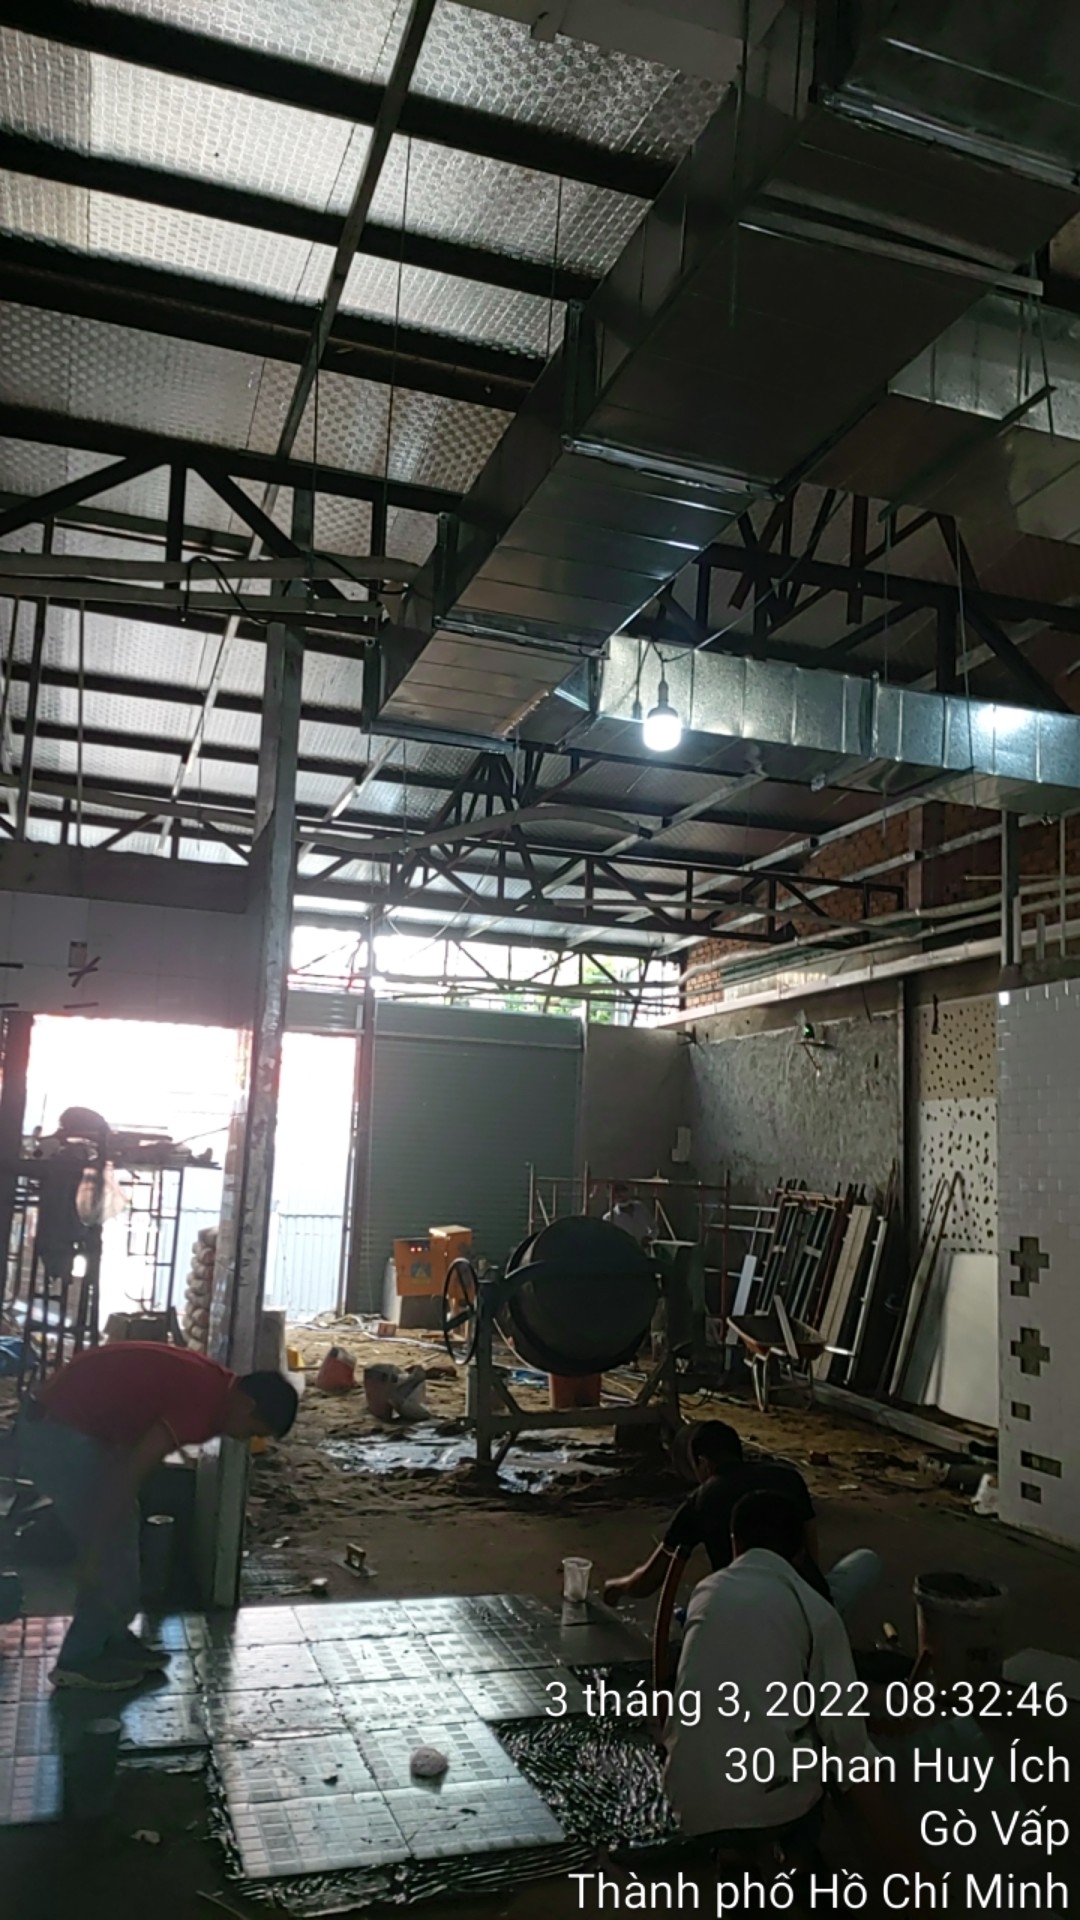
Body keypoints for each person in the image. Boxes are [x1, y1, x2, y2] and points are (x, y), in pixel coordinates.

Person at [17, 1342, 298, 1691]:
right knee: (111, 1544)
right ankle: (79, 1660)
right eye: (253, 1431)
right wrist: (93, 1548)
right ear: (247, 1405)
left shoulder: (217, 1385)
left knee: (120, 1529)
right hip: (57, 1434)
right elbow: (133, 1471)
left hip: (65, 1421)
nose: (245, 1439)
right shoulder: (201, 1406)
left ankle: (111, 1637)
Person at [663, 1490, 900, 1877]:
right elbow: (851, 1752)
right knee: (825, 1750)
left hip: (689, 1801)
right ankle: (796, 1866)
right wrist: (911, 1869)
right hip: (770, 1805)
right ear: (801, 1554)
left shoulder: (705, 1593)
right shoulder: (817, 1612)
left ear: (735, 1543)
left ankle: (734, 1858)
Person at [603, 1419, 880, 1619]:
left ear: (704, 1463)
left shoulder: (700, 1501)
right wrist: (810, 1592)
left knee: (704, 1605)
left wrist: (618, 1587)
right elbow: (811, 1546)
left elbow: (650, 1580)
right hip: (809, 1604)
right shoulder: (789, 1478)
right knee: (866, 1559)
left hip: (746, 1613)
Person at [602, 1183, 654, 1247]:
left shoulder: (640, 1207)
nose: (620, 1194)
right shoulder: (608, 1218)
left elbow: (654, 1228)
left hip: (643, 1250)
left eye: (622, 1190)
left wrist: (649, 1237)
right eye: (616, 1192)